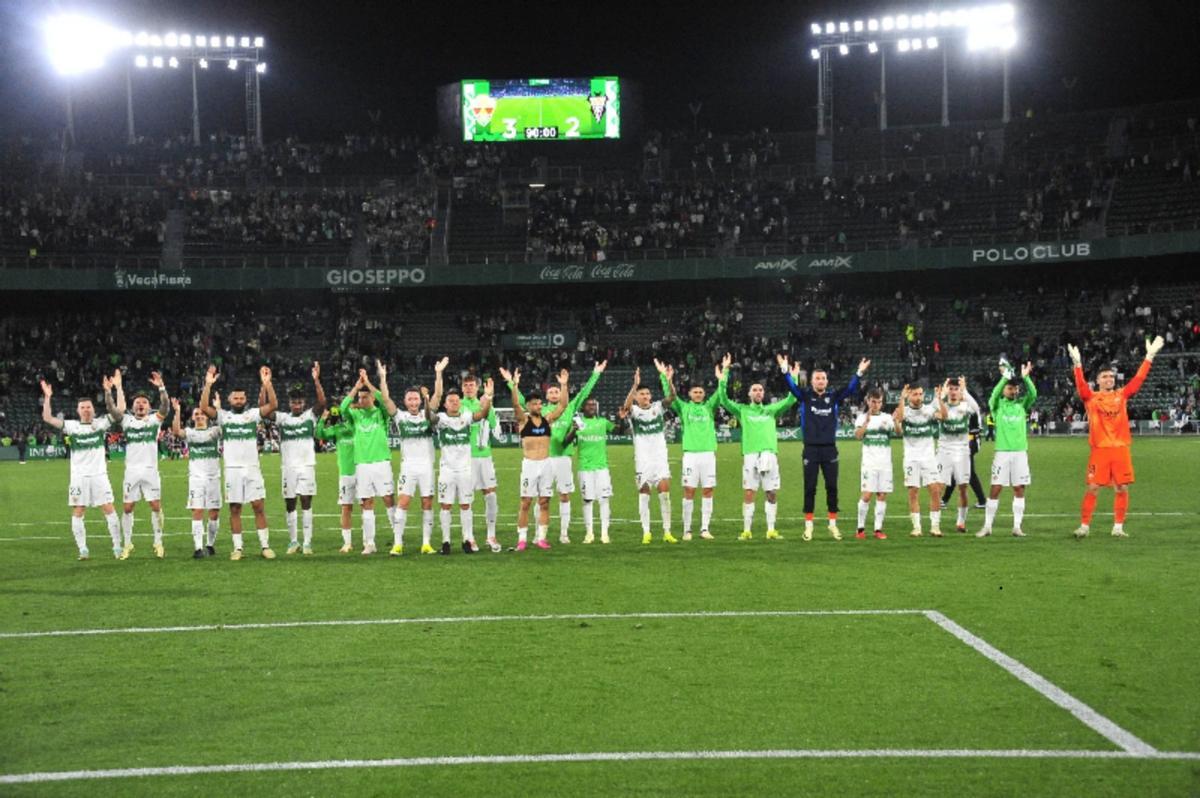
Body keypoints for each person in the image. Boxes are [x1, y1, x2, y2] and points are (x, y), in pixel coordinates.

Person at [1069, 336, 1162, 539]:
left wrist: (1149, 357)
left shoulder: (1122, 395)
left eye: (1111, 376)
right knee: (1093, 487)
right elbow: (1081, 386)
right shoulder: (1091, 398)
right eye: (1105, 377)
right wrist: (1077, 365)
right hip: (1100, 450)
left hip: (1120, 449)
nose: (1109, 379)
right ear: (1098, 381)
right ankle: (1084, 526)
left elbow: (1138, 380)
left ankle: (1118, 527)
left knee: (1122, 487)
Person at [778, 354, 871, 541]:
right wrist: (785, 371)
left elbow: (850, 389)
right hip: (810, 449)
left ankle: (832, 524)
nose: (820, 381)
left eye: (823, 378)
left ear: (827, 381)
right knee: (810, 487)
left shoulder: (833, 397)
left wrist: (859, 373)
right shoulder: (805, 397)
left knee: (832, 487)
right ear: (812, 381)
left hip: (830, 449)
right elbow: (792, 387)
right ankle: (808, 527)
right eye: (817, 378)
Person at [514, 361, 606, 544]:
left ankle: (564, 533)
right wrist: (512, 383)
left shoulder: (569, 407)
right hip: (544, 459)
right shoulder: (541, 411)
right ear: (546, 395)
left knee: (564, 495)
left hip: (563, 457)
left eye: (557, 391)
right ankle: (537, 534)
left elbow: (584, 392)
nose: (554, 394)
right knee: (540, 498)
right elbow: (521, 401)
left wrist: (595, 374)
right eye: (551, 392)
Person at [40, 373, 124, 560]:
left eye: (88, 407)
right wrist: (47, 397)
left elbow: (120, 411)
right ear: (78, 410)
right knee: (78, 511)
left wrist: (115, 389)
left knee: (109, 509)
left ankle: (117, 546)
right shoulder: (71, 426)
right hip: (78, 477)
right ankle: (83, 549)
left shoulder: (101, 424)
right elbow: (47, 417)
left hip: (99, 476)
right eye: (83, 407)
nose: (86, 410)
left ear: (93, 409)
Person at [200, 364, 278, 559]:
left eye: (242, 398)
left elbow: (273, 405)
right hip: (233, 470)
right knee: (235, 508)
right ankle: (238, 548)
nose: (239, 401)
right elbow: (203, 408)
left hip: (252, 468)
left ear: (245, 400)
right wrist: (208, 384)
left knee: (258, 506)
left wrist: (267, 384)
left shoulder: (252, 415)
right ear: (229, 400)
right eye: (235, 398)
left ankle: (265, 546)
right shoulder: (223, 417)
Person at [718, 357, 797, 540]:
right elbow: (723, 399)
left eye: (760, 390)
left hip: (769, 454)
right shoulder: (742, 410)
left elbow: (792, 398)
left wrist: (792, 377)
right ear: (749, 394)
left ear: (764, 393)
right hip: (751, 455)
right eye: (754, 390)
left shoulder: (771, 410)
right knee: (749, 491)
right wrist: (725, 373)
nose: (758, 392)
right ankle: (747, 530)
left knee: (771, 492)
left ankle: (771, 530)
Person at [426, 365, 494, 554]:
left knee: (466, 505)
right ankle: (446, 542)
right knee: (445, 506)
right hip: (447, 471)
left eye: (456, 401)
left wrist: (488, 398)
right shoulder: (440, 419)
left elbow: (482, 414)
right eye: (451, 401)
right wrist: (426, 400)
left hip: (465, 471)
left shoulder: (466, 417)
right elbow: (428, 417)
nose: (455, 403)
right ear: (445, 404)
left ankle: (466, 540)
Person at [501, 366, 569, 550]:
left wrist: (564, 385)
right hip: (530, 465)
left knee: (544, 502)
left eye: (540, 403)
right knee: (526, 502)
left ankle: (541, 538)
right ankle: (522, 539)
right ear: (529, 406)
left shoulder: (547, 420)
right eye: (535, 404)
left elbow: (563, 406)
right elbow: (516, 405)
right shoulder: (524, 420)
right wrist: (514, 385)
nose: (538, 406)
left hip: (546, 464)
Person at [338, 362, 398, 556]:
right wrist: (357, 386)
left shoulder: (381, 414)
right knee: (366, 502)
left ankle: (398, 539)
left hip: (381, 463)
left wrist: (369, 383)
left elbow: (383, 398)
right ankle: (370, 543)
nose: (362, 400)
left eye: (365, 397)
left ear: (372, 398)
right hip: (362, 465)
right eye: (360, 397)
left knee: (388, 499)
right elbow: (342, 408)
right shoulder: (355, 415)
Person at [668, 353, 728, 541]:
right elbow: (671, 396)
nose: (698, 394)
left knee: (708, 490)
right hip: (691, 455)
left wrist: (724, 375)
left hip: (708, 454)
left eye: (701, 392)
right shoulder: (684, 408)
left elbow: (721, 394)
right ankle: (687, 530)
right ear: (689, 394)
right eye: (695, 392)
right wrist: (666, 379)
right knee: (689, 490)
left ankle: (704, 528)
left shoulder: (709, 407)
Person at [976, 360, 1036, 538]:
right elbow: (992, 396)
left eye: (1015, 388)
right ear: (1004, 390)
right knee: (995, 488)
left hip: (1020, 452)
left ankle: (1017, 527)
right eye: (1010, 388)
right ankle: (987, 526)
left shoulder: (1022, 405)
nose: (1014, 391)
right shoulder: (997, 406)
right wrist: (1004, 378)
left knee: (1019, 489)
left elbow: (1033, 394)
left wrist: (1026, 378)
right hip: (1002, 453)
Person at [622, 362, 678, 545]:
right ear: (636, 397)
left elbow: (672, 397)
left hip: (660, 459)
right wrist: (635, 385)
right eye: (642, 394)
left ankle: (667, 532)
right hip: (643, 460)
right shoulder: (635, 411)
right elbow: (626, 407)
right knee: (644, 495)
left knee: (665, 495)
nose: (645, 396)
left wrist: (669, 381)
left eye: (647, 393)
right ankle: (646, 532)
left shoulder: (657, 407)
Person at [274, 363, 326, 555]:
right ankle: (293, 541)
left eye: (299, 402)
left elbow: (322, 402)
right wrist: (266, 384)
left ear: (304, 403)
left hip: (307, 466)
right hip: (288, 467)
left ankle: (307, 542)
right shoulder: (282, 419)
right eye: (293, 402)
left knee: (306, 502)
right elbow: (266, 409)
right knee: (290, 503)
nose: (296, 405)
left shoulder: (310, 417)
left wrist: (316, 380)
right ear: (289, 403)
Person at [118, 371, 170, 559]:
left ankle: (158, 542)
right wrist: (117, 387)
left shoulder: (155, 420)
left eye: (145, 402)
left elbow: (165, 406)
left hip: (150, 472)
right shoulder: (126, 420)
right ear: (132, 406)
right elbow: (114, 410)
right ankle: (127, 543)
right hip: (131, 472)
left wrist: (161, 387)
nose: (141, 404)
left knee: (155, 506)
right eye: (137, 402)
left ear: (149, 407)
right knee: (127, 508)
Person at [396, 358, 444, 555]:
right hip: (408, 467)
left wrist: (438, 373)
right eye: (410, 399)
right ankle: (397, 544)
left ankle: (426, 543)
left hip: (426, 466)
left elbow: (438, 395)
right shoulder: (400, 416)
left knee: (427, 503)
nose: (413, 402)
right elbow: (386, 399)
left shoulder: (427, 413)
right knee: (403, 502)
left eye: (416, 399)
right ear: (405, 401)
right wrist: (382, 377)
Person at [895, 383, 948, 537]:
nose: (918, 397)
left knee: (935, 490)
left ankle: (935, 526)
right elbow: (899, 420)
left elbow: (944, 417)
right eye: (915, 394)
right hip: (911, 458)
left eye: (920, 394)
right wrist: (901, 399)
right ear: (909, 396)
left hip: (928, 458)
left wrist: (940, 399)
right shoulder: (905, 411)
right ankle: (917, 527)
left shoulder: (929, 410)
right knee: (913, 492)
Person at [171, 397, 222, 558]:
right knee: (197, 510)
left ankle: (210, 544)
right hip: (196, 478)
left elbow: (225, 425)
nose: (199, 416)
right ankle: (198, 548)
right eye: (196, 414)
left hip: (213, 477)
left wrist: (218, 408)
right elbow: (176, 431)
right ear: (193, 417)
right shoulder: (190, 432)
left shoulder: (214, 431)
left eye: (202, 414)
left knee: (214, 513)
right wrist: (177, 411)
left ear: (207, 416)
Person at [461, 373, 506, 552]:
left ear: (477, 387)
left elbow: (497, 432)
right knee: (467, 498)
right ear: (462, 388)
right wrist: (485, 402)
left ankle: (491, 535)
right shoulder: (460, 405)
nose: (469, 388)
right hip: (466, 458)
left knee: (491, 496)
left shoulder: (488, 406)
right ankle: (469, 537)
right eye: (466, 385)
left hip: (485, 457)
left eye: (472, 385)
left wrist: (489, 403)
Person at [562, 398, 616, 544]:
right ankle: (589, 533)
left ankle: (604, 533)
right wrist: (574, 430)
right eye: (589, 405)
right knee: (587, 500)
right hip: (585, 468)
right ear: (583, 408)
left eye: (594, 405)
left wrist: (622, 419)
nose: (592, 407)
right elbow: (565, 443)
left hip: (602, 467)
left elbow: (619, 430)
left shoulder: (603, 422)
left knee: (604, 499)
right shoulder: (578, 423)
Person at [938, 377, 984, 532]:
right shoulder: (942, 406)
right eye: (950, 389)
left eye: (956, 389)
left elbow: (976, 408)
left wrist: (965, 390)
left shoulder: (966, 407)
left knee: (963, 487)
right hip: (944, 451)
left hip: (962, 452)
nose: (953, 392)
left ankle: (961, 522)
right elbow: (931, 409)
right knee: (938, 487)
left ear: (960, 391)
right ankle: (935, 524)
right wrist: (942, 393)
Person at [855, 388, 899, 539]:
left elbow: (898, 432)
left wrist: (896, 421)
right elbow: (858, 436)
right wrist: (866, 423)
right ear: (868, 401)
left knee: (881, 495)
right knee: (867, 495)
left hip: (885, 464)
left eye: (879, 402)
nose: (876, 405)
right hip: (869, 464)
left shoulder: (887, 417)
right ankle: (860, 529)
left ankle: (878, 529)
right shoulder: (861, 418)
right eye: (873, 402)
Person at [315, 403, 356, 552]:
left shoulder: (358, 425)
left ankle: (369, 542)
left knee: (367, 506)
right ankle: (347, 543)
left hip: (363, 471)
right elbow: (319, 434)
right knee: (346, 507)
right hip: (346, 473)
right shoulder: (337, 429)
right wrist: (323, 419)